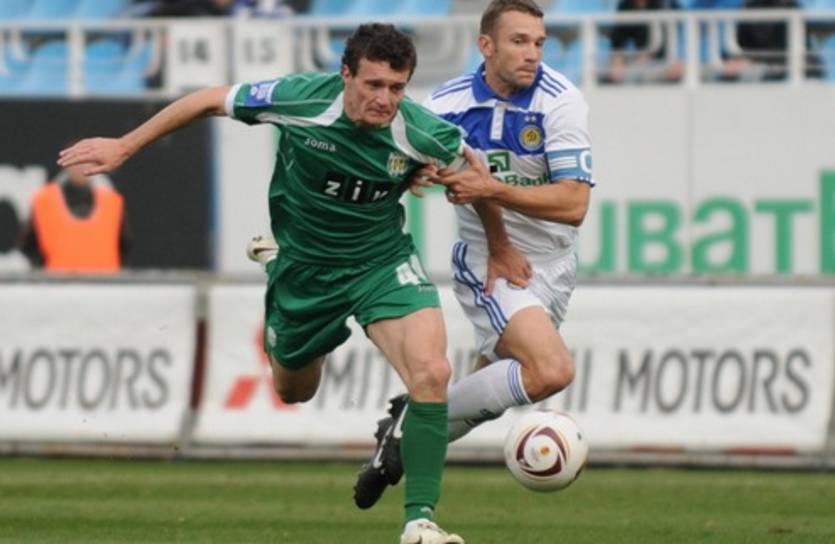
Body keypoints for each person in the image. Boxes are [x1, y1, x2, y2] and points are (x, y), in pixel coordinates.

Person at [58, 22, 532, 544]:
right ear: (345, 75)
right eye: (373, 84)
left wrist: (500, 246)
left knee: (432, 372)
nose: (384, 99)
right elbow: (210, 100)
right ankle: (285, 281)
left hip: (380, 264)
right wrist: (125, 146)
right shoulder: (300, 99)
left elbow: (477, 177)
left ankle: (419, 522)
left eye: (396, 88)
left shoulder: (420, 131)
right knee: (294, 390)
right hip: (305, 271)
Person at [353, 0, 593, 510]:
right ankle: (410, 422)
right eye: (519, 41)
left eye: (539, 42)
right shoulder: (447, 104)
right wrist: (414, 172)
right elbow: (398, 158)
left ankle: (399, 442)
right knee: (550, 370)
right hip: (491, 261)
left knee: (487, 396)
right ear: (486, 45)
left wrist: (492, 187)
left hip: (555, 264)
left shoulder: (561, 101)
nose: (533, 53)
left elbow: (574, 204)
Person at [20, 162, 130, 273]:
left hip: (105, 281)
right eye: (76, 161)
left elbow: (124, 245)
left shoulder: (112, 202)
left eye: (85, 161)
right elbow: (29, 245)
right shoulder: (44, 200)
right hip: (57, 281)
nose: (80, 167)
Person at [606, 0, 684, 85]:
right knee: (615, 75)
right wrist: (617, 60)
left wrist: (647, 56)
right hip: (641, 63)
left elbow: (668, 41)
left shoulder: (667, 4)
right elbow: (619, 38)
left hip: (664, 62)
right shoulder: (626, 5)